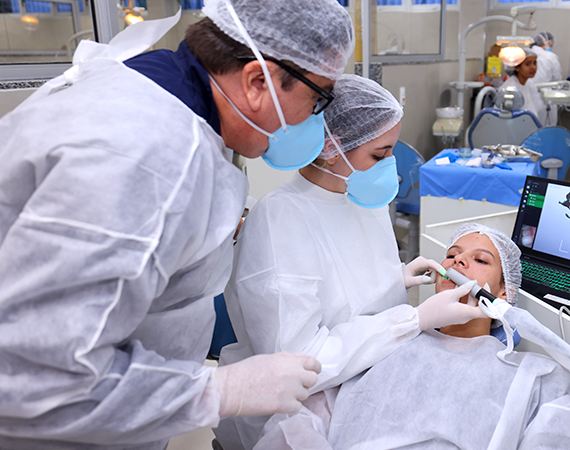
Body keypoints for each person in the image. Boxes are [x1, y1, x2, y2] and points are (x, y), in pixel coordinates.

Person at [0, 0, 354, 448]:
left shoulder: (151, 86)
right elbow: (38, 375)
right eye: (318, 98)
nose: (316, 119)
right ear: (257, 81)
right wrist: (218, 390)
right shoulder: (150, 162)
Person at [214, 74, 487, 450]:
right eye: (380, 154)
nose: (390, 164)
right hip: (299, 414)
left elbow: (343, 292)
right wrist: (416, 319)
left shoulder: (359, 195)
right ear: (330, 146)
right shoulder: (281, 220)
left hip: (371, 382)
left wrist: (393, 279)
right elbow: (301, 362)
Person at [257, 223, 570, 450]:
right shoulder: (388, 338)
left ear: (505, 292)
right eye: (452, 255)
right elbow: (298, 422)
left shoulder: (537, 377)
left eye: (480, 260)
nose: (458, 263)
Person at [499, 46, 548, 126]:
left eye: (534, 63)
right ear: (517, 67)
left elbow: (534, 110)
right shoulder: (510, 89)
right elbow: (505, 120)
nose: (533, 67)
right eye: (528, 64)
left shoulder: (530, 85)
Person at [531, 31, 563, 126]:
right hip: (546, 97)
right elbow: (557, 79)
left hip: (528, 96)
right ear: (547, 42)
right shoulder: (551, 57)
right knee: (546, 128)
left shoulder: (525, 54)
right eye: (551, 44)